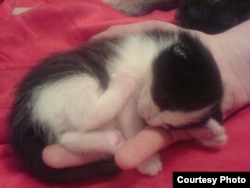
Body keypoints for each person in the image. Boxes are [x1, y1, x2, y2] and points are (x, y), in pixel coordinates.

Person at [42, 20, 250, 170]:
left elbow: (182, 103)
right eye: (162, 102)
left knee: (110, 121)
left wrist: (194, 125)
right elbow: (126, 106)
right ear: (174, 57)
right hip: (64, 87)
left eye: (168, 125)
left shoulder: (166, 76)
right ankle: (75, 135)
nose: (152, 120)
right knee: (97, 105)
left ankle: (74, 139)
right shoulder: (147, 55)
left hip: (77, 117)